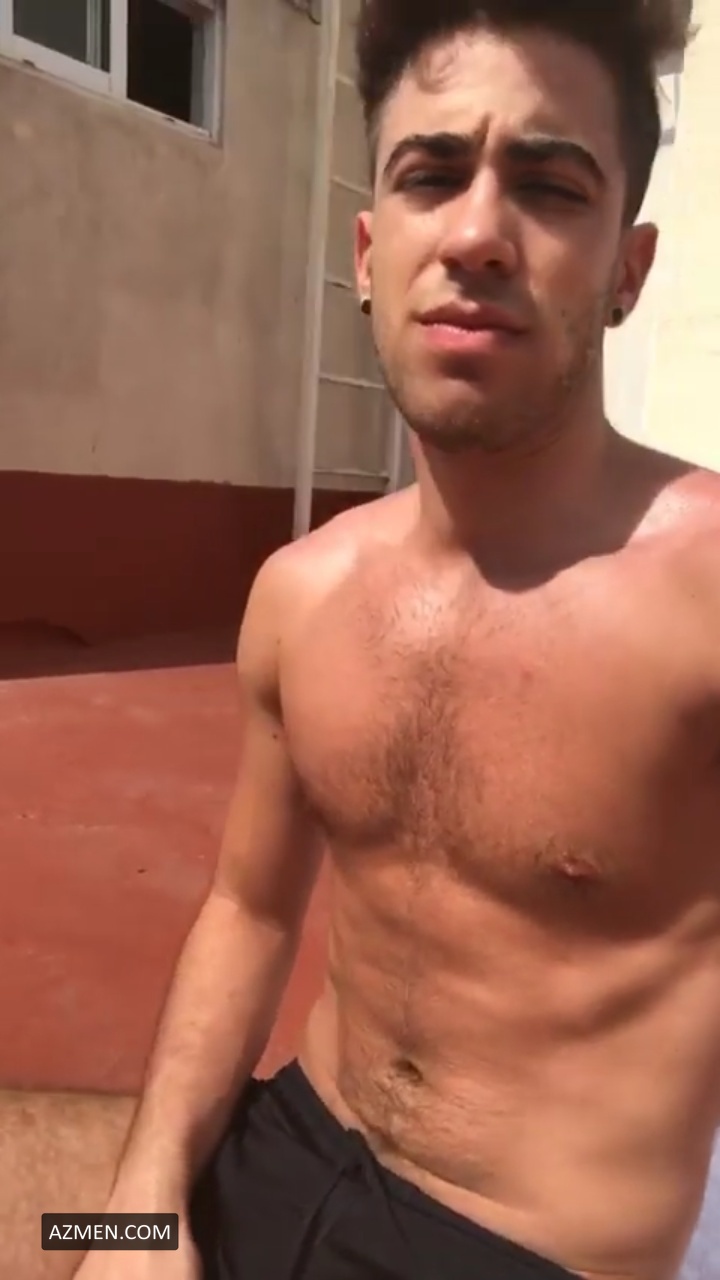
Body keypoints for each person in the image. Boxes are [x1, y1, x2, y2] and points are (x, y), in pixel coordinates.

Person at [73, 0, 719, 1276]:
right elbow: (249, 910)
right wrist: (145, 1203)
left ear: (629, 271)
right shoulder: (301, 593)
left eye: (548, 186)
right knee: (58, 1227)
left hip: (520, 1251)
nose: (475, 234)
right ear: (369, 253)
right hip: (283, 1152)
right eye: (432, 174)